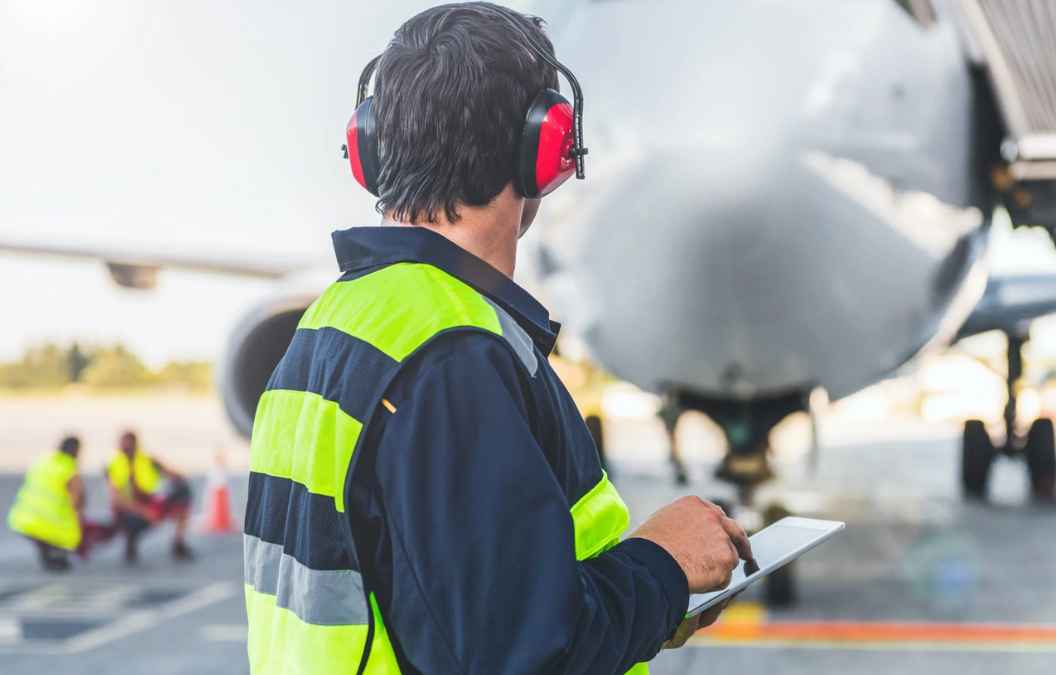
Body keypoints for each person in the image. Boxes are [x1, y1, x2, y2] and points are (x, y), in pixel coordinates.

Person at [242, 3, 753, 674]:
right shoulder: (452, 354)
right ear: (547, 147)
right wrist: (663, 564)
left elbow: (437, 611)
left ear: (367, 148)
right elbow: (524, 654)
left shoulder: (335, 322)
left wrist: (651, 607)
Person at [7, 435, 110, 571]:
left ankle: (49, 552)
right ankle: (56, 554)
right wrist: (80, 523)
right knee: (68, 534)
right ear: (76, 451)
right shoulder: (68, 468)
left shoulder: (43, 462)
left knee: (47, 533)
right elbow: (76, 499)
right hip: (49, 525)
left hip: (22, 520)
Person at [108, 430, 194, 563]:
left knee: (183, 491)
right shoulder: (115, 466)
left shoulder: (147, 461)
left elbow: (173, 474)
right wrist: (144, 512)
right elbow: (117, 499)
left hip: (149, 502)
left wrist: (180, 475)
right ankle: (131, 540)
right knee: (126, 516)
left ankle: (178, 542)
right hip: (130, 510)